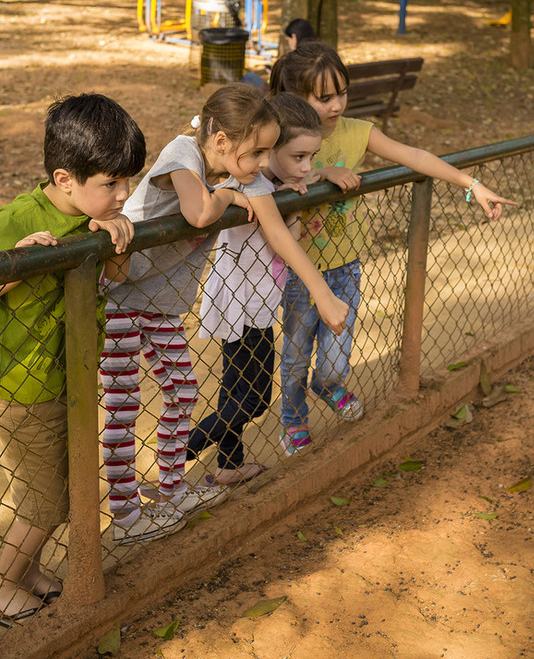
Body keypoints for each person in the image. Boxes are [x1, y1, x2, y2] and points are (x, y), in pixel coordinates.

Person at [100, 84, 348, 535]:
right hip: (120, 296)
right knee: (123, 407)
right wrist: (230, 197)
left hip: (162, 305)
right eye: (256, 153)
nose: (262, 164)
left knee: (183, 393)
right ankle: (125, 515)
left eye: (267, 153)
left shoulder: (244, 172)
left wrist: (324, 295)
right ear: (220, 141)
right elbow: (198, 213)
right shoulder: (183, 154)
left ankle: (172, 489)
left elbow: (279, 235)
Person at [269, 41, 517, 455]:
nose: (336, 105)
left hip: (345, 265)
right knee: (295, 355)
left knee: (335, 357)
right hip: (299, 271)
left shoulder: (357, 131)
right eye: (324, 97)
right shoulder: (278, 136)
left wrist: (471, 184)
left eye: (341, 93)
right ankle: (293, 420)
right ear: (295, 97)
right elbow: (260, 176)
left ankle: (327, 384)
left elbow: (414, 155)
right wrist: (322, 173)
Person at [0, 93, 145, 627]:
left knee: (63, 487)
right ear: (65, 179)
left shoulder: (95, 215)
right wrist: (16, 261)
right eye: (111, 184)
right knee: (44, 501)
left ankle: (27, 574)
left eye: (127, 181)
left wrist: (118, 241)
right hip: (24, 385)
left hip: (68, 375)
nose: (123, 194)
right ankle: (1, 588)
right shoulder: (20, 217)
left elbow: (116, 279)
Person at [188, 93, 325, 486]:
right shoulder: (252, 184)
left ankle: (228, 464)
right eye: (298, 157)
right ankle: (180, 452)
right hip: (245, 302)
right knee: (256, 397)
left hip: (254, 299)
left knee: (234, 389)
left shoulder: (264, 183)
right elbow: (284, 241)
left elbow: (288, 235)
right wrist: (290, 203)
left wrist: (300, 192)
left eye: (312, 158)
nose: (307, 167)